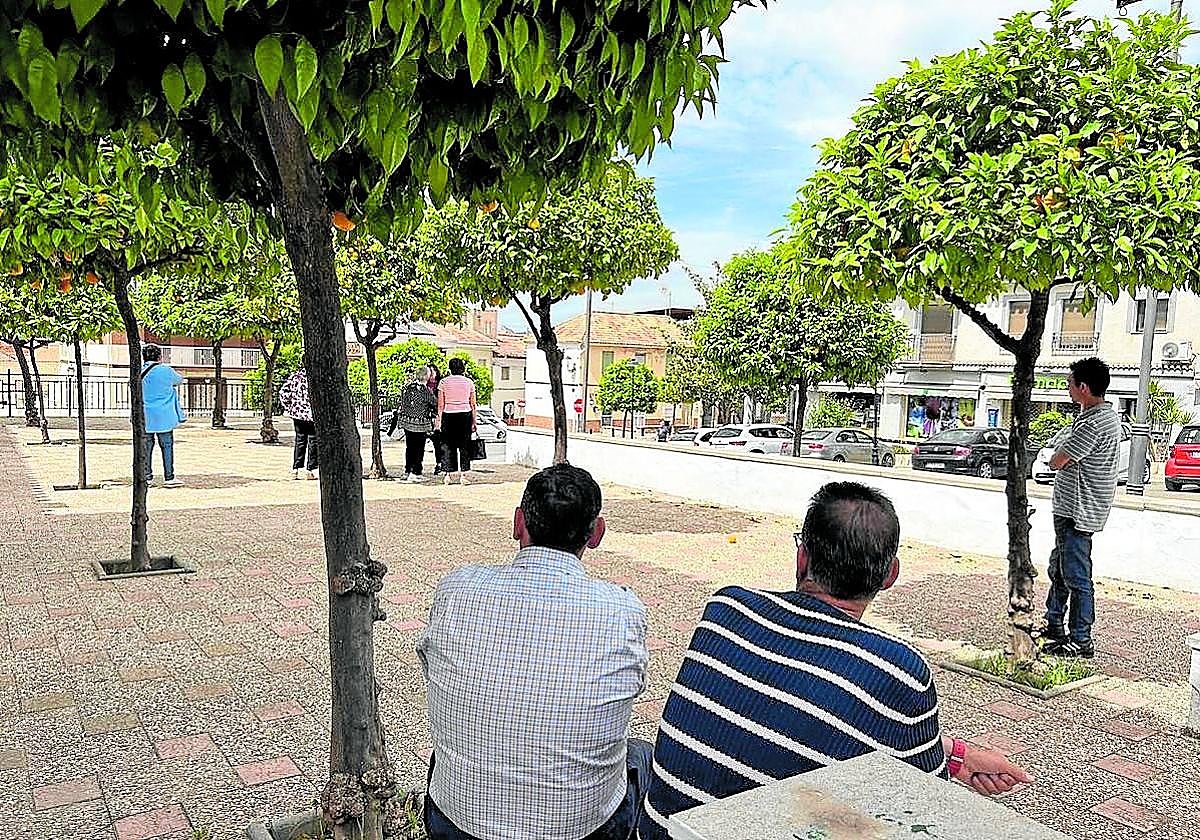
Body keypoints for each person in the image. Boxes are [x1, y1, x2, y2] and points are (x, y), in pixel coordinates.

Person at [640, 481, 1032, 839]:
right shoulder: (897, 669)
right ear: (889, 576)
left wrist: (957, 756)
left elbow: (793, 717)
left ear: (802, 557)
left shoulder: (727, 607)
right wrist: (948, 762)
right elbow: (917, 800)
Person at [417, 464, 650, 840]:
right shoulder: (622, 610)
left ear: (517, 523)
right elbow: (632, 688)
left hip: (457, 823)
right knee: (640, 754)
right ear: (596, 534)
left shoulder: (457, 589)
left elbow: (431, 667)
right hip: (580, 830)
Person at [1042, 357, 1121, 658]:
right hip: (1075, 508)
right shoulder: (1094, 416)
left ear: (1083, 387)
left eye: (1070, 383)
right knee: (1059, 569)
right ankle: (1054, 624)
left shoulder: (1094, 423)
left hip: (1079, 511)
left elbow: (1057, 460)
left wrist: (1057, 454)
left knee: (1076, 576)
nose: (1067, 388)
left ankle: (1081, 639)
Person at [140, 344, 185, 488]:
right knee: (166, 445)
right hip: (164, 416)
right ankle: (169, 477)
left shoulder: (139, 371)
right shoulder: (166, 370)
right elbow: (179, 380)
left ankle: (147, 477)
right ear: (159, 357)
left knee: (146, 446)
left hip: (145, 415)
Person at [435, 357, 476, 485]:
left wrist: (439, 421)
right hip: (465, 415)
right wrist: (474, 422)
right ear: (462, 368)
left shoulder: (443, 382)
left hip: (448, 416)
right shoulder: (469, 382)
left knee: (448, 445)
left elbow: (440, 405)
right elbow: (473, 404)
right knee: (464, 446)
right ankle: (463, 475)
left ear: (450, 368)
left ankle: (448, 475)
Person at [396, 365, 438, 482]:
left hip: (407, 422)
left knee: (409, 447)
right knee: (419, 448)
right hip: (420, 424)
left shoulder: (409, 387)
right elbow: (434, 403)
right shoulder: (425, 390)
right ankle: (416, 472)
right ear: (426, 376)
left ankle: (407, 470)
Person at [279, 367, 317, 480]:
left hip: (298, 414)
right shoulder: (316, 376)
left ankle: (295, 469)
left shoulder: (295, 377)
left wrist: (290, 406)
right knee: (313, 441)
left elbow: (283, 393)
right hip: (312, 415)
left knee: (299, 440)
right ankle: (309, 470)